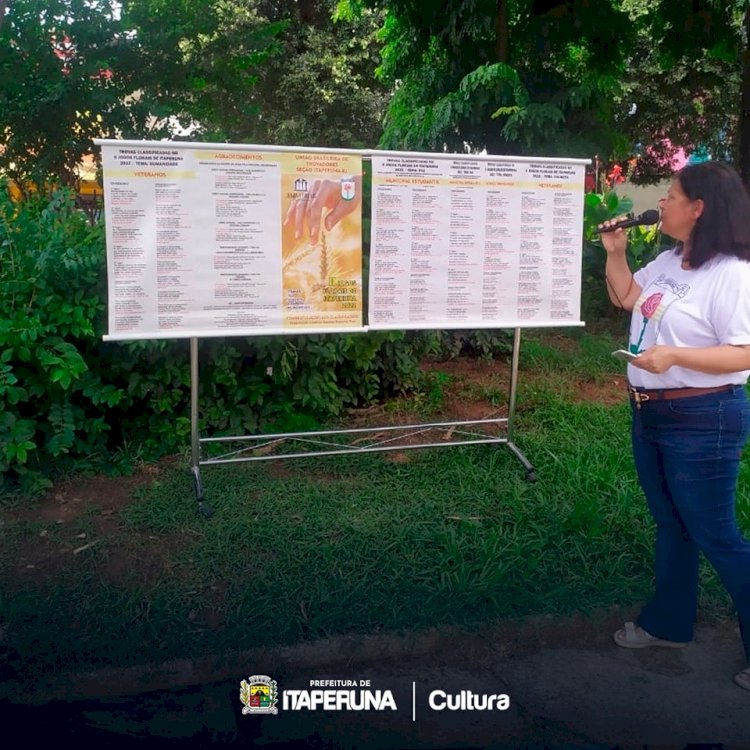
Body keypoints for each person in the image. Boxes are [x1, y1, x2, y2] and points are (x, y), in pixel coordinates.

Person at [599, 161, 750, 691]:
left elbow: (745, 353)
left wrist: (676, 358)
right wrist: (616, 256)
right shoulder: (666, 261)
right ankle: (669, 626)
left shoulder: (733, 273)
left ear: (698, 208)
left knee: (716, 534)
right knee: (673, 524)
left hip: (703, 416)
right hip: (652, 411)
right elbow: (627, 298)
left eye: (670, 194)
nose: (660, 202)